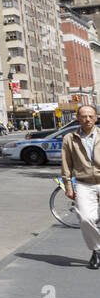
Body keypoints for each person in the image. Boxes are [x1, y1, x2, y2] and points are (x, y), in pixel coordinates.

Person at [60, 104, 100, 269]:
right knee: (85, 218)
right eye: (84, 116)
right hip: (84, 183)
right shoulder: (70, 138)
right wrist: (68, 185)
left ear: (96, 117)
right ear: (78, 118)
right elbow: (66, 164)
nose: (87, 119)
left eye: (90, 116)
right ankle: (96, 251)